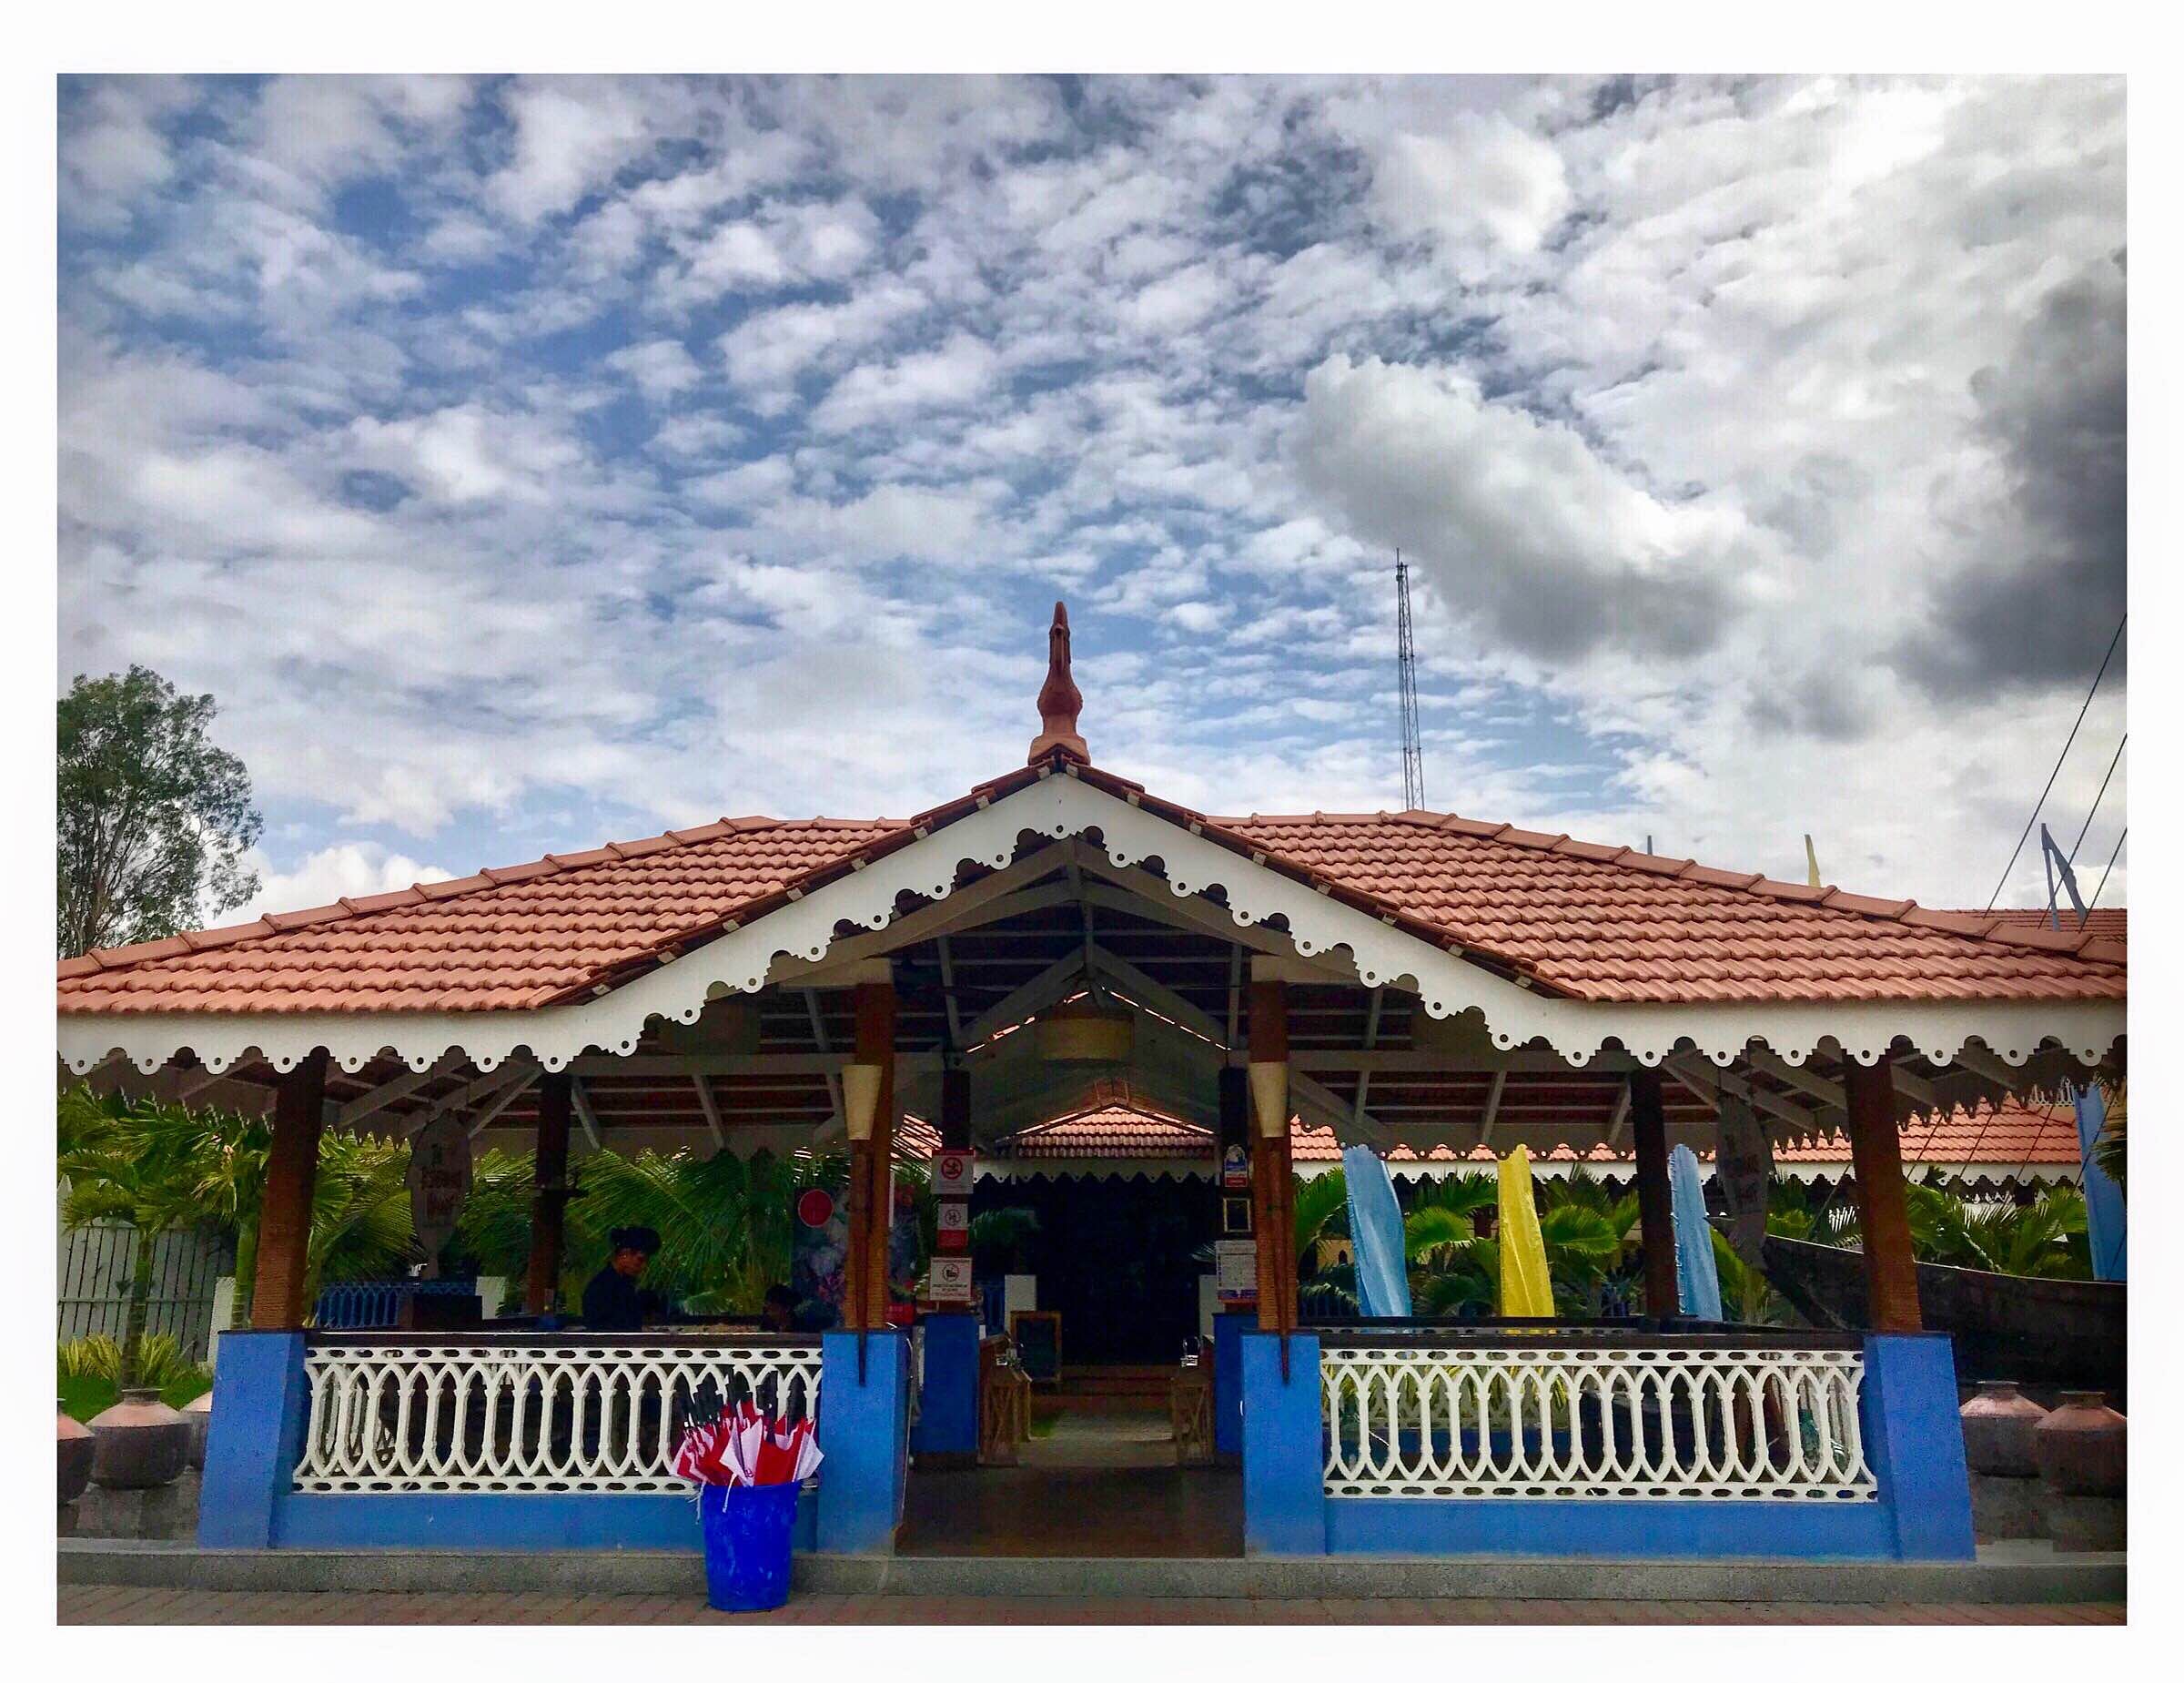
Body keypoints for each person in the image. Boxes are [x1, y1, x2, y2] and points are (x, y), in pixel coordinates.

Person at [581, 1226, 666, 1332]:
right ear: (624, 1254)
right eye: (640, 1260)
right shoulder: (601, 1287)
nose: (644, 1266)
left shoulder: (625, 1285)